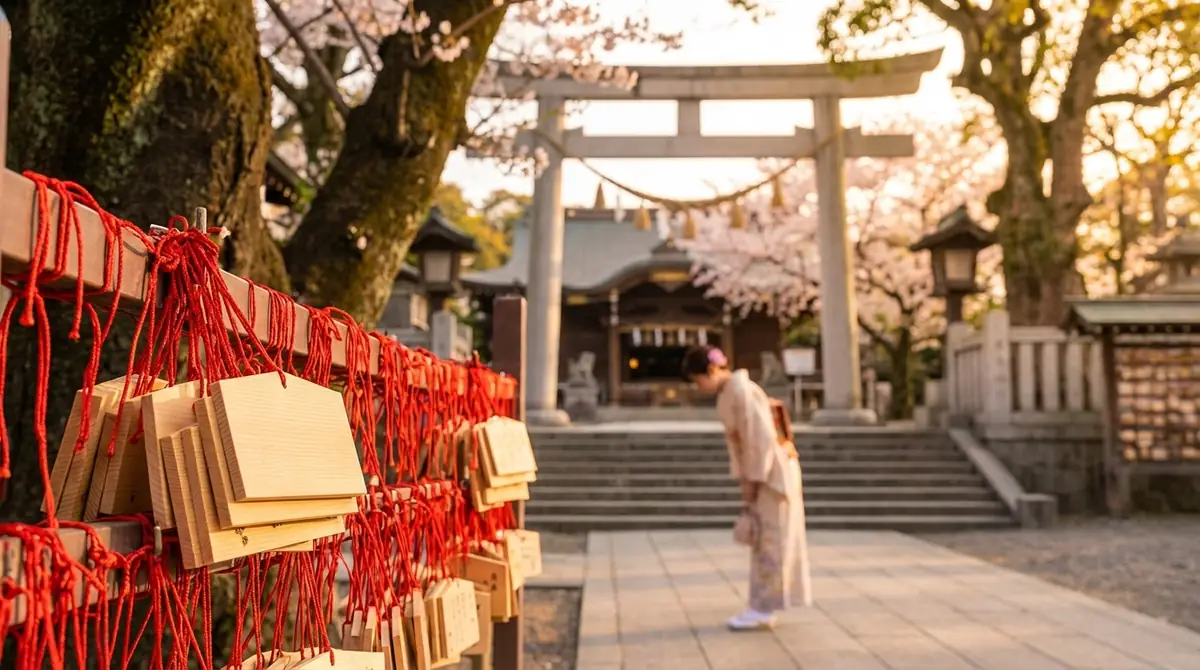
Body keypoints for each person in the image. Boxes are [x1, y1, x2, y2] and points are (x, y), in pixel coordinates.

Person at [681, 344, 812, 631]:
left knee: (770, 541)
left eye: (699, 379)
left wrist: (750, 484)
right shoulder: (734, 391)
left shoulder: (741, 392)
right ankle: (762, 605)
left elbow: (758, 442)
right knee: (765, 540)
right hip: (766, 473)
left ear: (713, 370)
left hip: (771, 476)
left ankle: (763, 608)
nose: (699, 386)